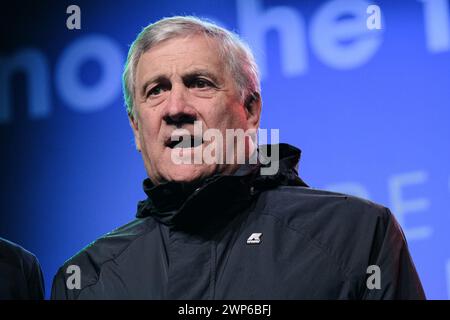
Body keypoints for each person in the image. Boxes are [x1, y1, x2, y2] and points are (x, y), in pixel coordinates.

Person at [51, 16, 425, 299]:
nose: (176, 107)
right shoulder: (86, 279)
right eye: (156, 91)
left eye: (199, 83)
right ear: (136, 128)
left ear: (250, 110)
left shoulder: (356, 234)